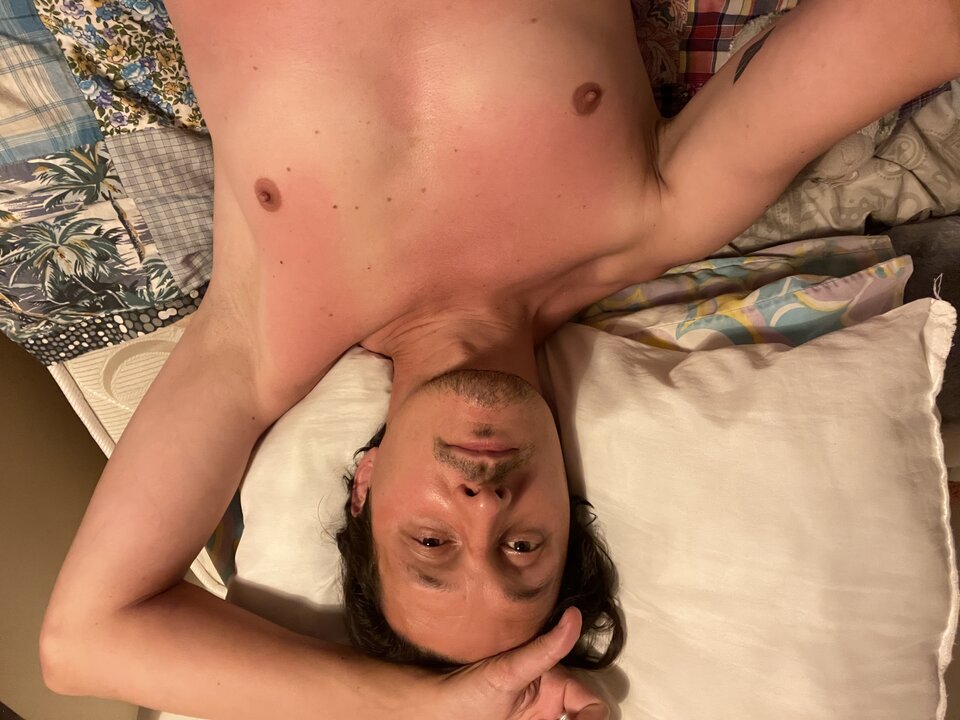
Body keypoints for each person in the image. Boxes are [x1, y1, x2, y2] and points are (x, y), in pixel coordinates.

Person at [39, 0, 960, 718]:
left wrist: (423, 712)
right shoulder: (650, 218)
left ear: (364, 486)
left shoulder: (261, 334)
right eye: (524, 546)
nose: (483, 506)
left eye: (432, 544)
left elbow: (83, 642)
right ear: (566, 499)